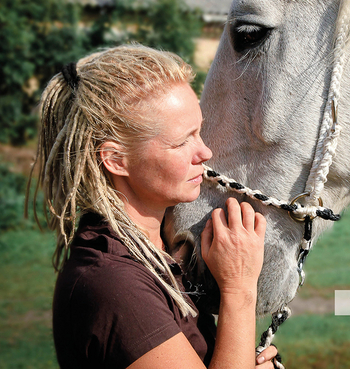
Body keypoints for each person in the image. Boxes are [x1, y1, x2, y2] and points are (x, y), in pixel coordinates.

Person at [28, 44, 278, 369]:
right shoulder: (113, 284)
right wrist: (239, 287)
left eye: (199, 132)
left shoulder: (157, 251)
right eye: (181, 141)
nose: (204, 152)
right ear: (116, 160)